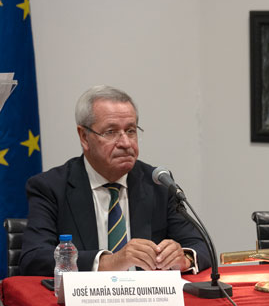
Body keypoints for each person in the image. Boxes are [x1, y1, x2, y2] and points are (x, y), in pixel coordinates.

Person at [19, 85, 210, 276]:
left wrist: (184, 258)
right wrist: (109, 261)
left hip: (148, 302)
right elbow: (34, 258)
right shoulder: (50, 187)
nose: (126, 143)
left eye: (131, 131)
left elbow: (201, 246)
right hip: (84, 302)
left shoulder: (158, 183)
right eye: (110, 132)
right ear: (84, 137)